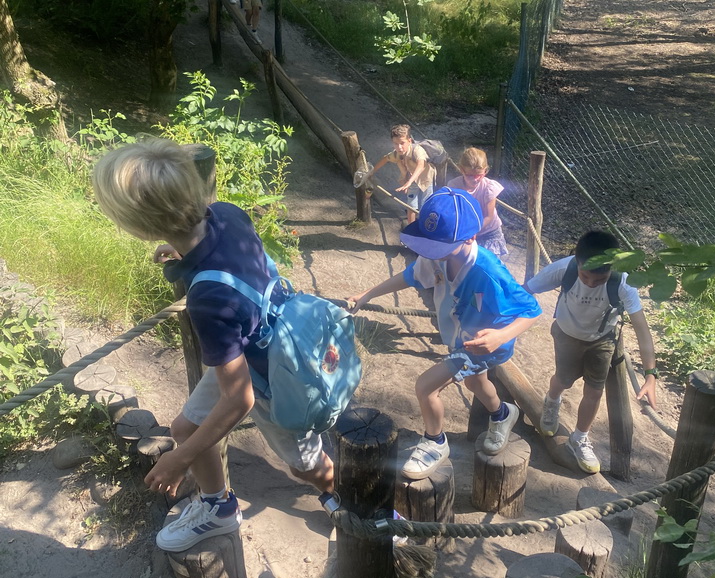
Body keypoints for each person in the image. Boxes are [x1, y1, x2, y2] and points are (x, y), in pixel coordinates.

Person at [91, 139, 335, 552]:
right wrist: (183, 248)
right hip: (253, 347)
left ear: (140, 225)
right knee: (185, 427)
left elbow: (239, 400)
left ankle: (347, 498)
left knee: (307, 466)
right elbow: (227, 251)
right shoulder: (226, 213)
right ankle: (219, 508)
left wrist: (179, 457)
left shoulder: (208, 300)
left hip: (276, 376)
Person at [347, 188, 541, 480]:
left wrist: (500, 337)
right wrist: (368, 294)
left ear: (470, 238)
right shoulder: (437, 253)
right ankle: (502, 414)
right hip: (461, 337)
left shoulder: (487, 271)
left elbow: (532, 309)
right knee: (476, 384)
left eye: (439, 248)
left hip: (486, 343)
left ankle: (435, 443)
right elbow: (410, 275)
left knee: (426, 387)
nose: (431, 254)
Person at [525, 230, 658, 474]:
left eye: (599, 280)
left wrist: (650, 374)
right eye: (586, 276)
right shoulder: (563, 270)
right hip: (566, 334)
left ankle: (579, 437)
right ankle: (552, 402)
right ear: (577, 262)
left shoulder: (623, 283)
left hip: (601, 340)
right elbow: (526, 290)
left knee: (595, 390)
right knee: (562, 379)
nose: (591, 283)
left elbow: (642, 329)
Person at [371, 124, 436, 225]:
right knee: (411, 205)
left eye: (402, 143)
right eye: (396, 144)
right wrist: (371, 172)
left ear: (409, 141)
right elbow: (385, 159)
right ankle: (411, 227)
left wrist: (408, 182)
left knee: (425, 204)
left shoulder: (417, 150)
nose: (399, 147)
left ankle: (424, 226)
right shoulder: (397, 153)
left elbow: (421, 165)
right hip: (411, 180)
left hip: (425, 179)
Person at [448, 147, 507, 257]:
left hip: (489, 233)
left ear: (485, 170)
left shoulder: (488, 187)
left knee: (488, 266)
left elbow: (488, 217)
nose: (475, 179)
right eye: (470, 175)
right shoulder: (454, 186)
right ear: (461, 169)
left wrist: (473, 231)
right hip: (466, 232)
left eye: (479, 175)